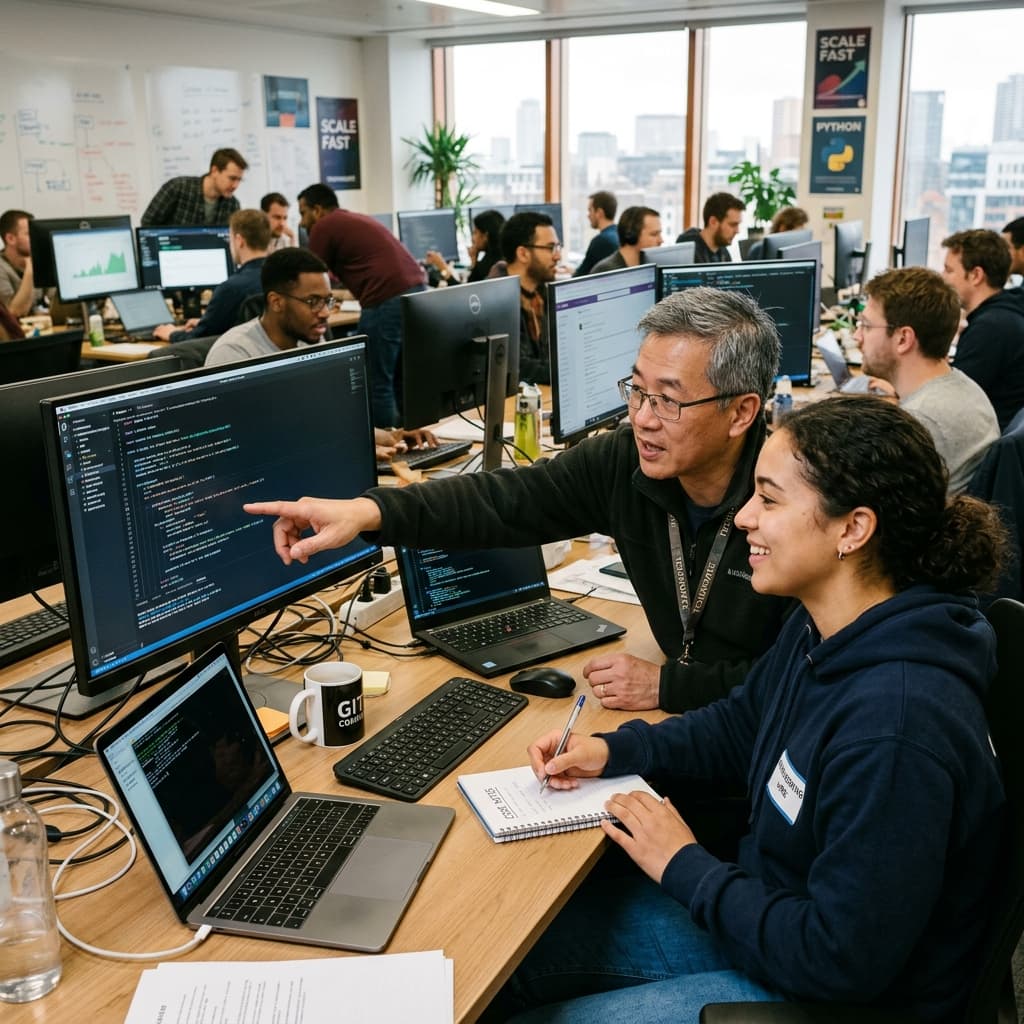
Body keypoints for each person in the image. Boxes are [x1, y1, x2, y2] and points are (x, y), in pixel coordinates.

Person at [489, 396, 1005, 1024]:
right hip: (767, 912)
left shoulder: (894, 729)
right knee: (507, 969)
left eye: (769, 499)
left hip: (826, 992)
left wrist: (682, 863)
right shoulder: (827, 626)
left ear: (852, 529)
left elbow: (838, 959)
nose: (742, 520)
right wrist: (616, 750)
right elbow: (742, 723)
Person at [243, 288, 793, 716]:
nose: (642, 418)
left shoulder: (796, 507)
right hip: (695, 726)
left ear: (742, 413)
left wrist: (672, 684)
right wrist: (370, 512)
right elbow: (505, 500)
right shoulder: (625, 461)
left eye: (669, 400)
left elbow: (818, 678)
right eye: (637, 390)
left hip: (762, 750)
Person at [204, 247, 434, 460]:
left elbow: (323, 422)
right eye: (313, 301)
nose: (324, 313)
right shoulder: (234, 354)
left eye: (327, 301)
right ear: (276, 302)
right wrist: (347, 448)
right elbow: (239, 449)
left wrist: (388, 435)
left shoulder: (309, 341)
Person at [858, 266, 998, 493]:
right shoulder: (961, 385)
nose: (857, 336)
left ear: (903, 338)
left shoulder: (922, 422)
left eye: (866, 325)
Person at [297, 183, 426, 429]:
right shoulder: (351, 219)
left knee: (376, 382)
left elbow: (309, 273)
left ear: (317, 209)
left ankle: (386, 451)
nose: (302, 223)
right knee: (399, 379)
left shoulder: (324, 225)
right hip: (415, 294)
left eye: (303, 213)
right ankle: (409, 442)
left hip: (386, 299)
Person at [943, 228, 1024, 430]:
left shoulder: (990, 329)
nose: (943, 277)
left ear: (976, 275)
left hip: (984, 440)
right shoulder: (1007, 309)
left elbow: (950, 400)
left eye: (949, 270)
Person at [153, 208, 271, 342]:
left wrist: (171, 333)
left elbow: (200, 338)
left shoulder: (231, 288)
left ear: (239, 241)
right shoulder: (280, 276)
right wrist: (206, 322)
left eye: (230, 239)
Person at [487, 211, 561, 384]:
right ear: (522, 254)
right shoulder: (498, 301)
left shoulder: (542, 293)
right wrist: (569, 370)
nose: (558, 256)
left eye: (558, 247)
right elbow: (519, 367)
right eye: (551, 248)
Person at [141, 148, 248, 228]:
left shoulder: (232, 205)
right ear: (214, 171)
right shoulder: (177, 188)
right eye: (232, 178)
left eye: (239, 180)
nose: (235, 185)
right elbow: (147, 224)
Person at [424, 208, 506, 284]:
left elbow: (464, 294)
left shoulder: (491, 262)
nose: (473, 237)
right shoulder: (501, 256)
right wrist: (474, 259)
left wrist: (442, 267)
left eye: (475, 232)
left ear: (485, 236)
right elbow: (475, 283)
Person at [676, 192, 746, 263]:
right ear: (713, 222)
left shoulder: (724, 254)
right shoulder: (687, 250)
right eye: (732, 225)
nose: (737, 231)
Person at [591, 206, 663, 273]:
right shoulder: (605, 270)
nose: (661, 241)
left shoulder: (647, 266)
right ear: (632, 234)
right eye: (654, 234)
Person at [0, 209, 44, 317]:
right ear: (10, 239)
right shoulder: (2, 268)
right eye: (29, 234)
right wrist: (29, 271)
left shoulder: (40, 259)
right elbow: (14, 313)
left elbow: (56, 304)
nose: (35, 238)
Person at [573, 190, 619, 276]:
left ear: (599, 213)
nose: (588, 215)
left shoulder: (601, 241)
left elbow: (579, 276)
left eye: (590, 210)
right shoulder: (619, 234)